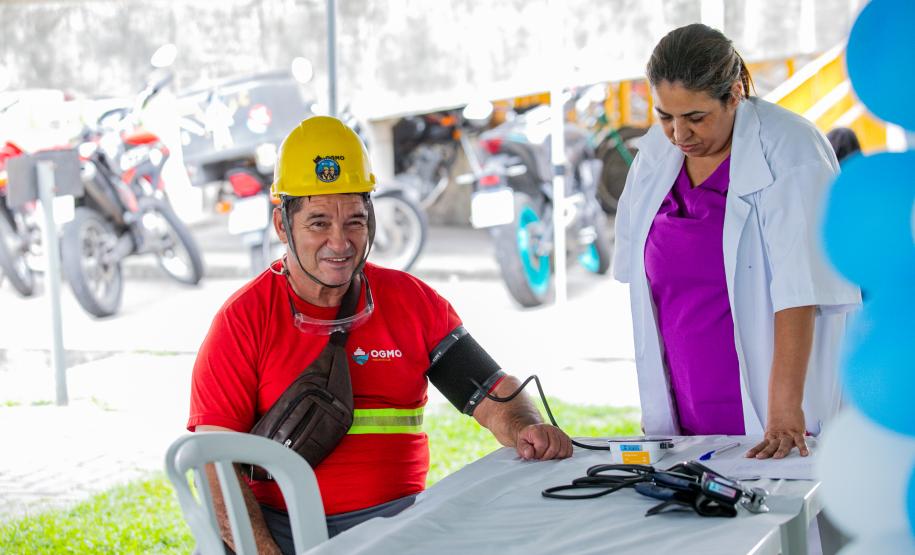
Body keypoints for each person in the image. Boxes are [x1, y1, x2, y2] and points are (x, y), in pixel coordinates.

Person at [188, 115, 572, 554]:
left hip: (398, 529)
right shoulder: (242, 320)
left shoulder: (412, 301)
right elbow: (214, 466)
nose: (340, 242)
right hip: (279, 532)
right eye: (318, 223)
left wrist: (525, 427)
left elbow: (493, 393)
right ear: (282, 225)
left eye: (354, 221)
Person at [612, 24, 860, 461]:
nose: (679, 135)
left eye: (696, 117)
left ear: (734, 95)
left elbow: (801, 291)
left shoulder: (791, 148)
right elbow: (645, 286)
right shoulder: (655, 154)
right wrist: (656, 400)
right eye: (665, 116)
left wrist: (784, 411)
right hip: (685, 403)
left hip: (772, 405)